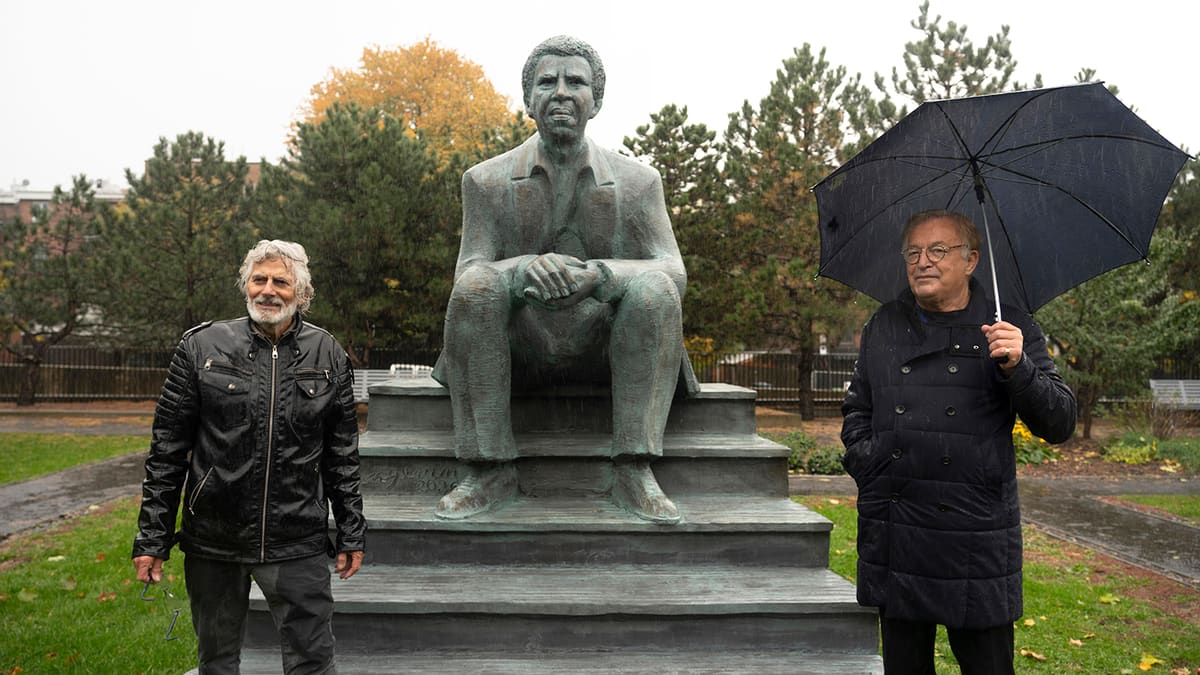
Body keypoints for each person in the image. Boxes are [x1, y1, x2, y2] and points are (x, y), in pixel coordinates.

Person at [431, 35, 696, 524]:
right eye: (546, 82)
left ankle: (634, 469)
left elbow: (672, 270)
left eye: (575, 82)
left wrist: (600, 275)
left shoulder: (639, 183)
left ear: (596, 100)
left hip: (605, 344)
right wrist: (520, 269)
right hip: (522, 346)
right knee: (476, 288)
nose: (560, 92)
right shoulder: (484, 181)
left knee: (656, 289)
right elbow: (468, 271)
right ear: (528, 98)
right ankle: (489, 471)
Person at [840, 210, 1076, 674]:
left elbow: (1059, 422)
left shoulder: (1009, 326)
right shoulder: (883, 324)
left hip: (974, 536)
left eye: (938, 250)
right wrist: (869, 463)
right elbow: (857, 410)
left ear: (971, 260)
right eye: (913, 252)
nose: (922, 261)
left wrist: (1019, 368)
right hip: (899, 528)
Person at [131, 239, 365, 674]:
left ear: (301, 293)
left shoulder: (328, 353)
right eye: (259, 279)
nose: (268, 290)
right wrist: (152, 539)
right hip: (214, 540)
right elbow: (166, 451)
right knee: (217, 662)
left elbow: (341, 455)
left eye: (281, 282)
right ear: (246, 286)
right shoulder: (201, 347)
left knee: (313, 661)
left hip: (296, 540)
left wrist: (352, 530)